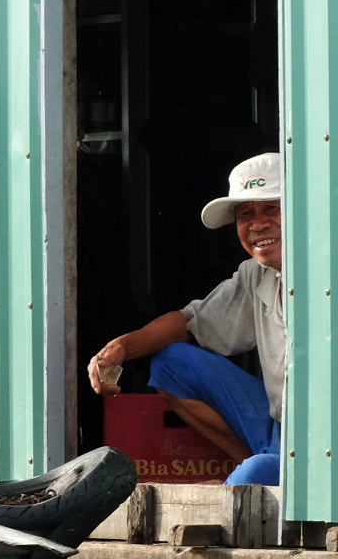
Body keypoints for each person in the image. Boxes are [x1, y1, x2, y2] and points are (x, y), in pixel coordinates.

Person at [87, 152, 285, 486]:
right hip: (278, 424)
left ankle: (254, 476)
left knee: (247, 482)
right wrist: (120, 347)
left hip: (319, 444)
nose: (258, 224)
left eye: (271, 208)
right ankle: (257, 466)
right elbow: (189, 322)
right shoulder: (256, 274)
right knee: (171, 363)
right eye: (245, 213)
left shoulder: (331, 271)